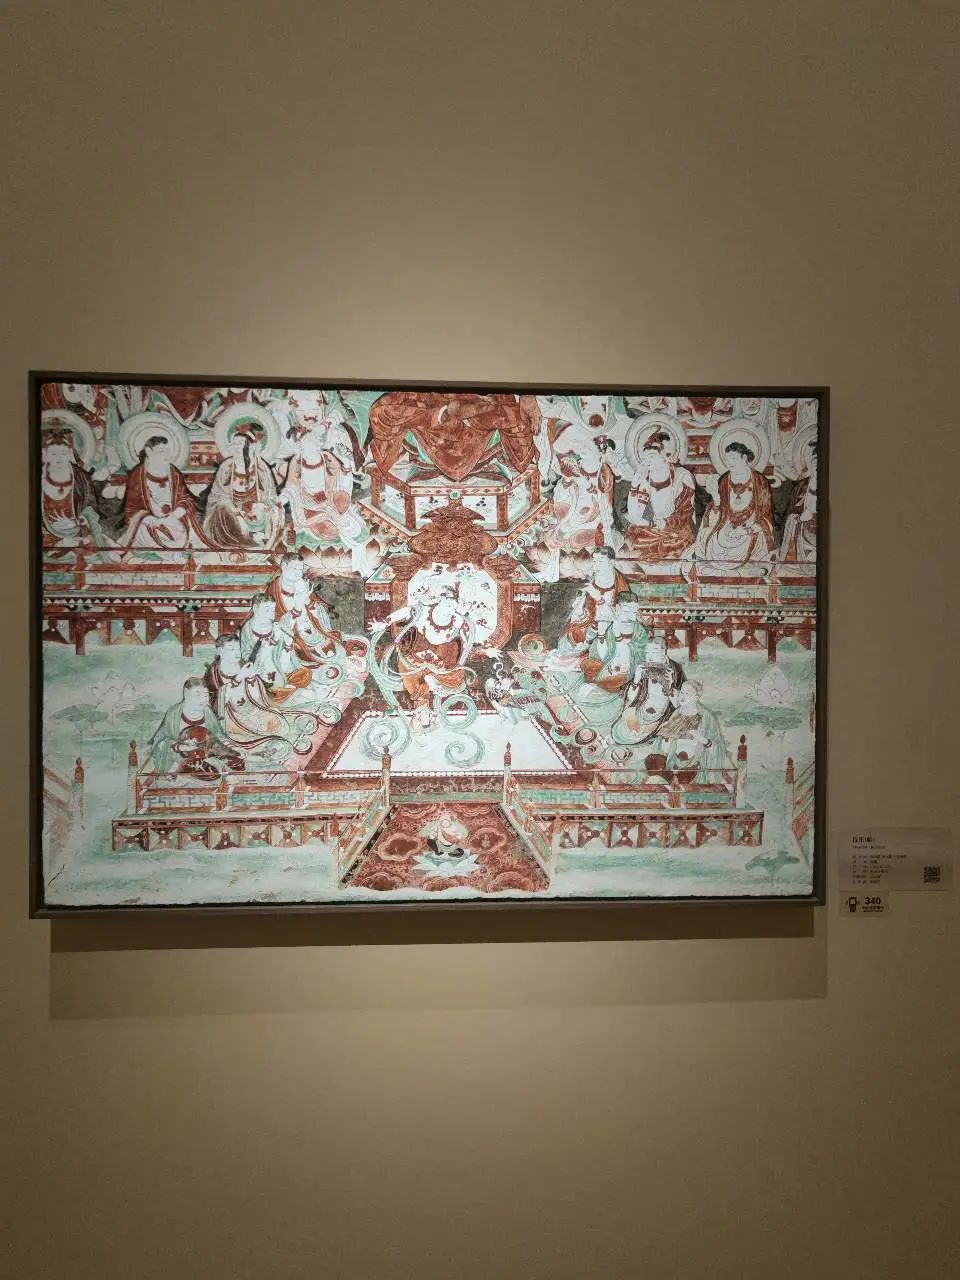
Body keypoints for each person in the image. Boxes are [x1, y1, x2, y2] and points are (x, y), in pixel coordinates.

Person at [279, 401, 372, 571]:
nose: (310, 447)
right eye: (305, 444)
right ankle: (357, 556)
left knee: (353, 527)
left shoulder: (327, 458)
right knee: (336, 526)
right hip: (310, 508)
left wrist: (347, 466)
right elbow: (291, 487)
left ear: (317, 444)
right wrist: (281, 500)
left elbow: (342, 475)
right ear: (300, 447)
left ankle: (360, 558)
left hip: (331, 502)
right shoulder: (297, 463)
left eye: (312, 442)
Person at [691, 441, 774, 566]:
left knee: (752, 540)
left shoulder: (759, 481)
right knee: (705, 535)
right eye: (727, 459)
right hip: (727, 525)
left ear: (744, 458)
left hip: (750, 527)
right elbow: (718, 511)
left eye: (733, 458)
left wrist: (746, 530)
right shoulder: (725, 480)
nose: (729, 462)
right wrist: (716, 497)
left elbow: (765, 514)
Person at [118, 435, 207, 549]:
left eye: (167, 451)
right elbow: (133, 508)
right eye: (161, 451)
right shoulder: (138, 475)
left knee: (186, 531)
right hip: (151, 521)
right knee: (143, 531)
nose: (166, 455)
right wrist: (153, 520)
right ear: (149, 452)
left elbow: (184, 497)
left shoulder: (173, 472)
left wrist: (176, 513)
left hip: (174, 517)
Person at [203, 423, 283, 549]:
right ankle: (239, 540)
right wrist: (237, 514)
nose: (235, 448)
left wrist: (260, 507)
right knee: (221, 511)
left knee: (273, 514)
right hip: (232, 511)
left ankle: (258, 539)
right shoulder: (226, 467)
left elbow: (270, 495)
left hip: (257, 512)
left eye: (239, 444)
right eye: (234, 444)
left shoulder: (261, 468)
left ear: (250, 447)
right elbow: (218, 495)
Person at [146, 677, 241, 778]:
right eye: (197, 695)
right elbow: (160, 741)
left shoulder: (208, 711)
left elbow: (218, 736)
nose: (203, 699)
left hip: (207, 755)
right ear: (186, 694)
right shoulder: (173, 713)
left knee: (237, 762)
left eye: (206, 695)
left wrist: (233, 748)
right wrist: (182, 747)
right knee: (208, 773)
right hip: (179, 758)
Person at [624, 431, 696, 559]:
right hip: (652, 528)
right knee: (635, 538)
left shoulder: (682, 477)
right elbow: (636, 514)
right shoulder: (646, 478)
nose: (647, 461)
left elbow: (685, 513)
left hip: (675, 529)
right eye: (645, 458)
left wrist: (663, 524)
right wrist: (634, 486)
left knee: (673, 543)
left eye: (652, 456)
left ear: (664, 454)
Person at [39, 429, 109, 542]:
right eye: (54, 453)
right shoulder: (40, 477)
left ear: (70, 454)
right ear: (45, 454)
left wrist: (85, 517)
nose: (59, 458)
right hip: (46, 533)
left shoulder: (80, 477)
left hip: (77, 530)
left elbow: (90, 507)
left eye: (63, 453)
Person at [658, 680, 731, 779]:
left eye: (687, 694)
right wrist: (666, 737)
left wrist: (703, 740)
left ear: (696, 697)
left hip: (696, 769)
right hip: (673, 765)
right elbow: (666, 744)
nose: (682, 696)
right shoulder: (677, 713)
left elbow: (718, 748)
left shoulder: (706, 717)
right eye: (682, 692)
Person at [781, 443, 817, 563]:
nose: (817, 465)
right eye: (814, 461)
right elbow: (791, 512)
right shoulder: (801, 486)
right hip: (802, 534)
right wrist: (799, 518)